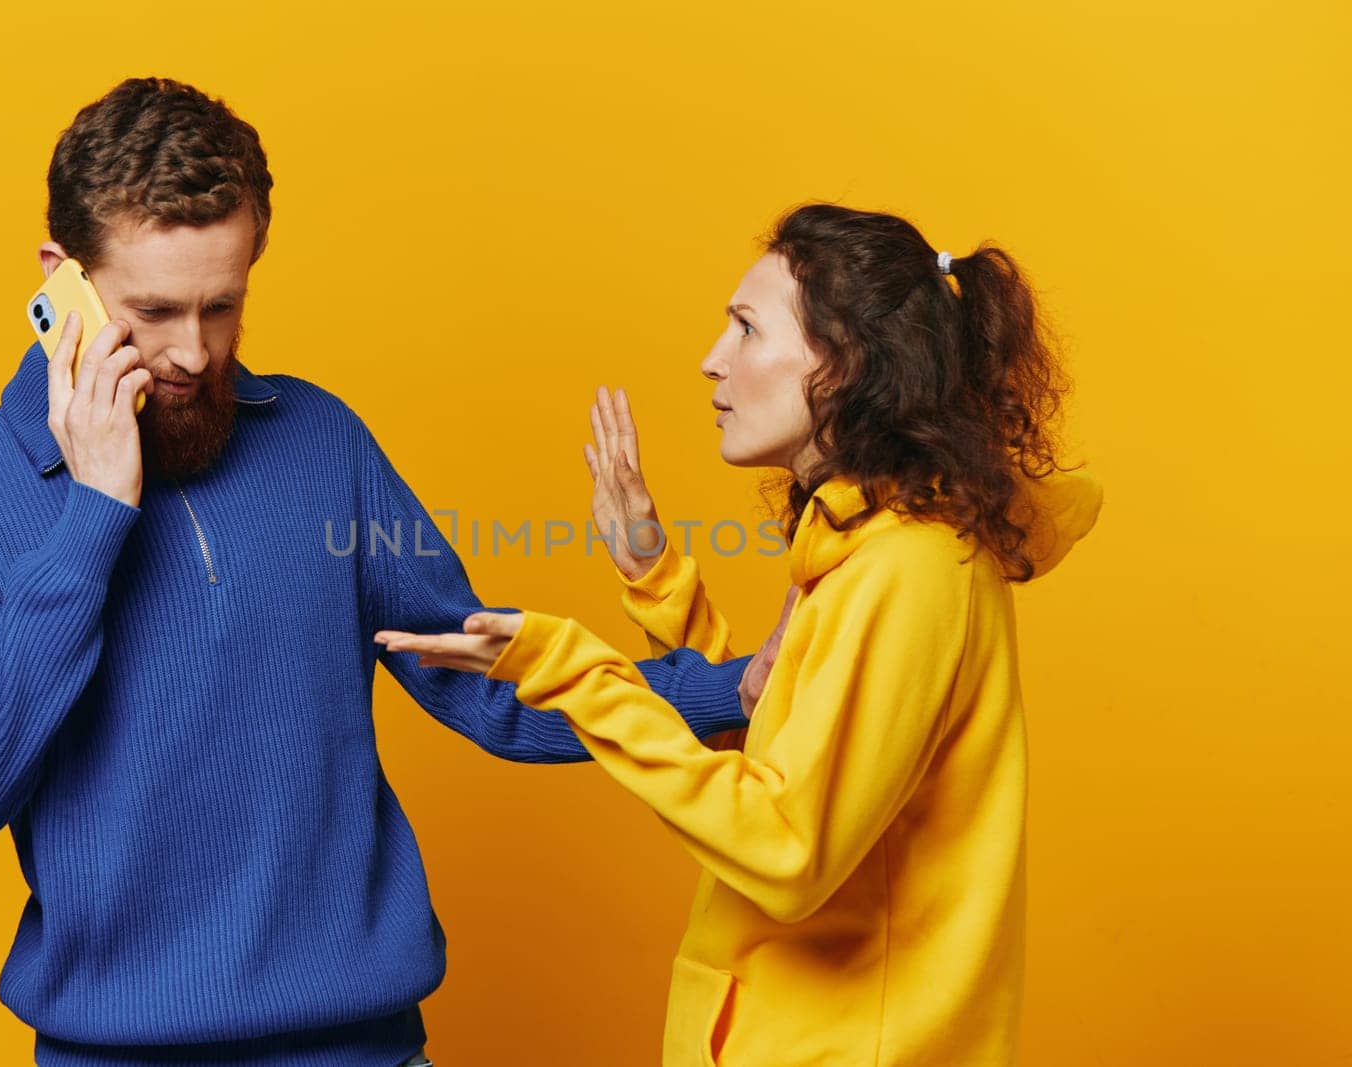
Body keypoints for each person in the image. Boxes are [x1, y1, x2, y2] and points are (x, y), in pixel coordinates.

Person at [0, 76, 757, 1067]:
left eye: (223, 306)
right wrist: (93, 513)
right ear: (60, 279)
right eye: (152, 311)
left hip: (362, 1045)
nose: (191, 352)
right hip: (110, 1051)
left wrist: (728, 683)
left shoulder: (319, 445)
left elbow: (485, 678)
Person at [375, 203, 1106, 1065]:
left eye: (747, 329)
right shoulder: (862, 547)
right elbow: (764, 742)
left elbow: (785, 847)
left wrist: (566, 667)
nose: (712, 360)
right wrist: (654, 574)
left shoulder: (907, 569)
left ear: (845, 367)